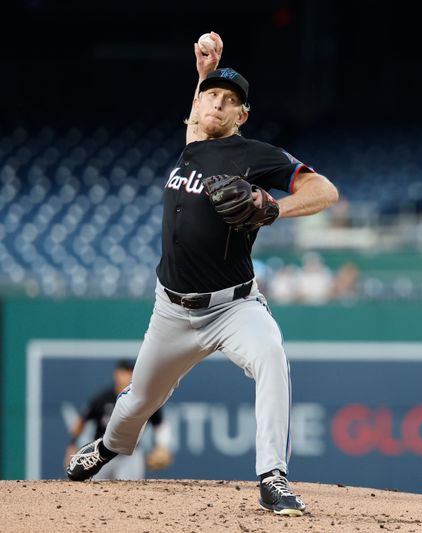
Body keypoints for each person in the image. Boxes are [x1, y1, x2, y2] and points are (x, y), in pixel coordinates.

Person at [66, 31, 338, 518]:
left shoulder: (255, 154)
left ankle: (272, 477)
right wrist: (203, 74)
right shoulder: (193, 140)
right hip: (170, 310)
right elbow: (198, 116)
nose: (216, 103)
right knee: (138, 402)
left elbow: (326, 191)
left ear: (243, 115)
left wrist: (273, 208)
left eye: (229, 100)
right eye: (211, 95)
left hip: (234, 307)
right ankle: (107, 448)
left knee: (272, 355)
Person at [64, 359, 172, 479]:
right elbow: (81, 421)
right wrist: (72, 445)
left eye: (132, 372)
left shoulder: (143, 400)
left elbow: (159, 424)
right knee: (93, 492)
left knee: (131, 493)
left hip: (129, 455)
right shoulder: (102, 399)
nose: (128, 376)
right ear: (116, 374)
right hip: (101, 453)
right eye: (125, 372)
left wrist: (162, 446)